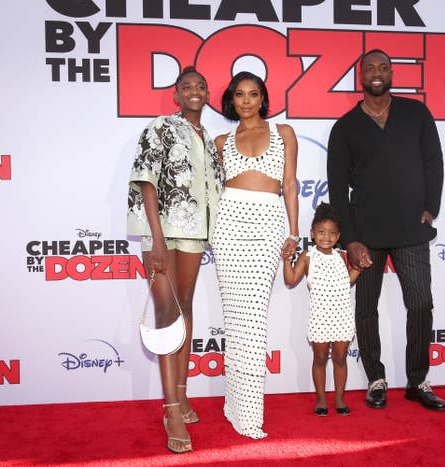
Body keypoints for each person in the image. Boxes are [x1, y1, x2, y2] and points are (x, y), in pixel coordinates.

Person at [326, 49, 445, 411]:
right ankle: (376, 379)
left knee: (421, 303)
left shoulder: (416, 113)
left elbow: (433, 161)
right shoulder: (345, 127)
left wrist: (431, 207)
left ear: (392, 73)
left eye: (383, 68)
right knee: (365, 308)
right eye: (370, 69)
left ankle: (417, 380)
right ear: (360, 77)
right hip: (366, 233)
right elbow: (336, 187)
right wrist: (350, 238)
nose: (377, 73)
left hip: (411, 226)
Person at [127, 66, 224, 453]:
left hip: (196, 235)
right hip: (163, 236)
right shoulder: (160, 128)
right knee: (168, 317)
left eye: (201, 86)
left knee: (184, 308)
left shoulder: (209, 138)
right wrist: (156, 240)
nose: (195, 91)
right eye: (187, 87)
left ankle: (182, 396)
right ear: (176, 96)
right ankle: (171, 412)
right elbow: (145, 182)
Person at [212, 71, 299, 439]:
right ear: (231, 100)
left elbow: (290, 184)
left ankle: (246, 410)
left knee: (254, 320)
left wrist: (294, 232)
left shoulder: (284, 133)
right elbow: (214, 192)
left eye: (253, 94)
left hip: (267, 225)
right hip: (229, 226)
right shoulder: (220, 141)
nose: (246, 101)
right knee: (236, 320)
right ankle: (236, 405)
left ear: (263, 98)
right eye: (239, 95)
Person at [282, 202, 360, 417]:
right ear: (313, 233)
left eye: (332, 233)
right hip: (320, 318)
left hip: (342, 317)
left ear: (339, 235)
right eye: (321, 232)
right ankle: (321, 399)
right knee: (319, 359)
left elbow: (348, 282)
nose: (327, 237)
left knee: (340, 359)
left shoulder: (342, 256)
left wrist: (359, 269)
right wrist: (287, 261)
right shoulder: (308, 257)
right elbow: (290, 280)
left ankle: (340, 398)